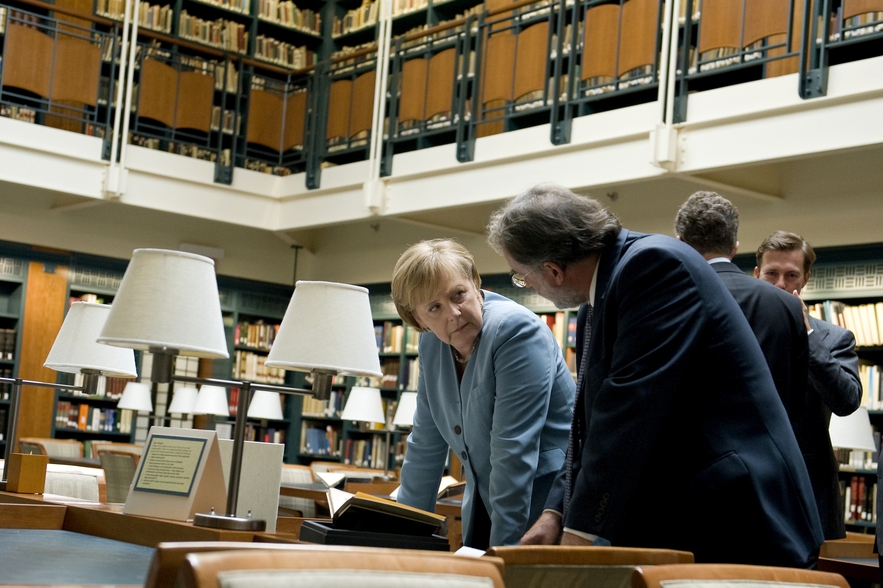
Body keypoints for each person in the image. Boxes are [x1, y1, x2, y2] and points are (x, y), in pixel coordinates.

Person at [486, 182, 823, 567]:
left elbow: (628, 410)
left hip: (741, 520)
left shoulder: (654, 266)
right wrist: (556, 512)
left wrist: (579, 535)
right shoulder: (602, 294)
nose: (525, 284)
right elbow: (591, 424)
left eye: (519, 275)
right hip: (692, 517)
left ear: (552, 270)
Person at [391, 238, 575, 549]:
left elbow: (512, 450)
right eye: (434, 307)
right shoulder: (432, 345)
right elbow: (425, 443)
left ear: (476, 285)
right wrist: (402, 543)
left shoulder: (516, 332)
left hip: (547, 509)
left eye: (458, 294)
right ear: (419, 319)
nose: (454, 313)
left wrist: (502, 557)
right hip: (486, 504)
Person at [755, 230, 862, 539]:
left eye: (791, 275)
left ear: (805, 280)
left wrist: (807, 337)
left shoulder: (833, 338)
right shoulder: (736, 331)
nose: (780, 284)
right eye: (771, 273)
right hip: (748, 486)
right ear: (756, 274)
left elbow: (846, 401)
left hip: (809, 490)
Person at [674, 192, 809, 431]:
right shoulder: (788, 307)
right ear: (734, 247)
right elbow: (796, 401)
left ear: (680, 243)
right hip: (767, 454)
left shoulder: (668, 298)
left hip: (689, 455)